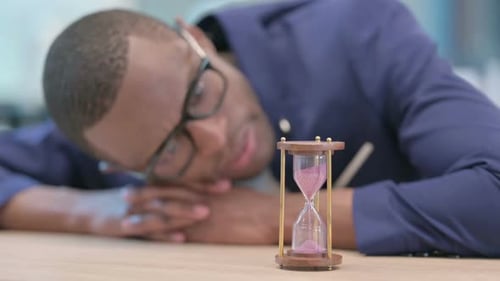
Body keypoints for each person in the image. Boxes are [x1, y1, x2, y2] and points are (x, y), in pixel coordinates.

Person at [1, 0, 499, 257]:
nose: (215, 136)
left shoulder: (358, 32)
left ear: (196, 41)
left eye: (199, 92)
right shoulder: (116, 125)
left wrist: (276, 218)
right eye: (172, 147)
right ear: (122, 167)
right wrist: (95, 213)